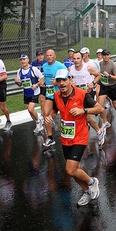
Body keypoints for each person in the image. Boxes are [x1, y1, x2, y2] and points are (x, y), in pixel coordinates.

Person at [45, 68, 103, 207]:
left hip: (80, 137)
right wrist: (50, 118)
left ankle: (91, 182)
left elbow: (100, 109)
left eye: (64, 80)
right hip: (66, 138)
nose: (62, 83)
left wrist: (83, 110)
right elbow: (54, 110)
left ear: (70, 80)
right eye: (59, 81)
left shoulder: (82, 95)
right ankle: (87, 192)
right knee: (73, 170)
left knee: (70, 169)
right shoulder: (57, 95)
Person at [70, 51, 105, 146]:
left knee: (87, 115)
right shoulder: (70, 69)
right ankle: (81, 134)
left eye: (78, 58)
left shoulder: (88, 67)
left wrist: (93, 83)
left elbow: (98, 75)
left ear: (82, 59)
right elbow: (69, 80)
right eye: (74, 59)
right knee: (77, 115)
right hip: (76, 95)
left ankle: (99, 131)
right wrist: (71, 84)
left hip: (87, 94)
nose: (76, 61)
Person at [42, 49, 67, 147]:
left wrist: (57, 82)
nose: (49, 57)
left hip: (60, 95)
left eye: (50, 55)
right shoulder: (44, 66)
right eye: (47, 55)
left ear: (54, 56)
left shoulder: (60, 66)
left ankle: (68, 134)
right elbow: (45, 77)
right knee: (46, 115)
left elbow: (67, 79)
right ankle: (50, 137)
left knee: (64, 115)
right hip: (49, 94)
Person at [14, 55, 44, 133]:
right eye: (21, 60)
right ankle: (38, 123)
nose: (22, 61)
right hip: (26, 93)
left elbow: (42, 78)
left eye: (24, 59)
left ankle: (38, 123)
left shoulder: (33, 69)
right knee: (30, 111)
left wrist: (36, 85)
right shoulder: (19, 71)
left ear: (28, 60)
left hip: (34, 92)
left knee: (30, 109)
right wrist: (17, 82)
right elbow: (20, 84)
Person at [98, 49, 116, 129]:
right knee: (100, 105)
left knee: (115, 105)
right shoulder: (100, 63)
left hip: (112, 86)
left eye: (107, 55)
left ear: (109, 55)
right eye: (104, 55)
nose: (105, 57)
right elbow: (99, 74)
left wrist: (109, 75)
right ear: (102, 56)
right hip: (104, 86)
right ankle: (105, 121)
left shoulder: (113, 65)